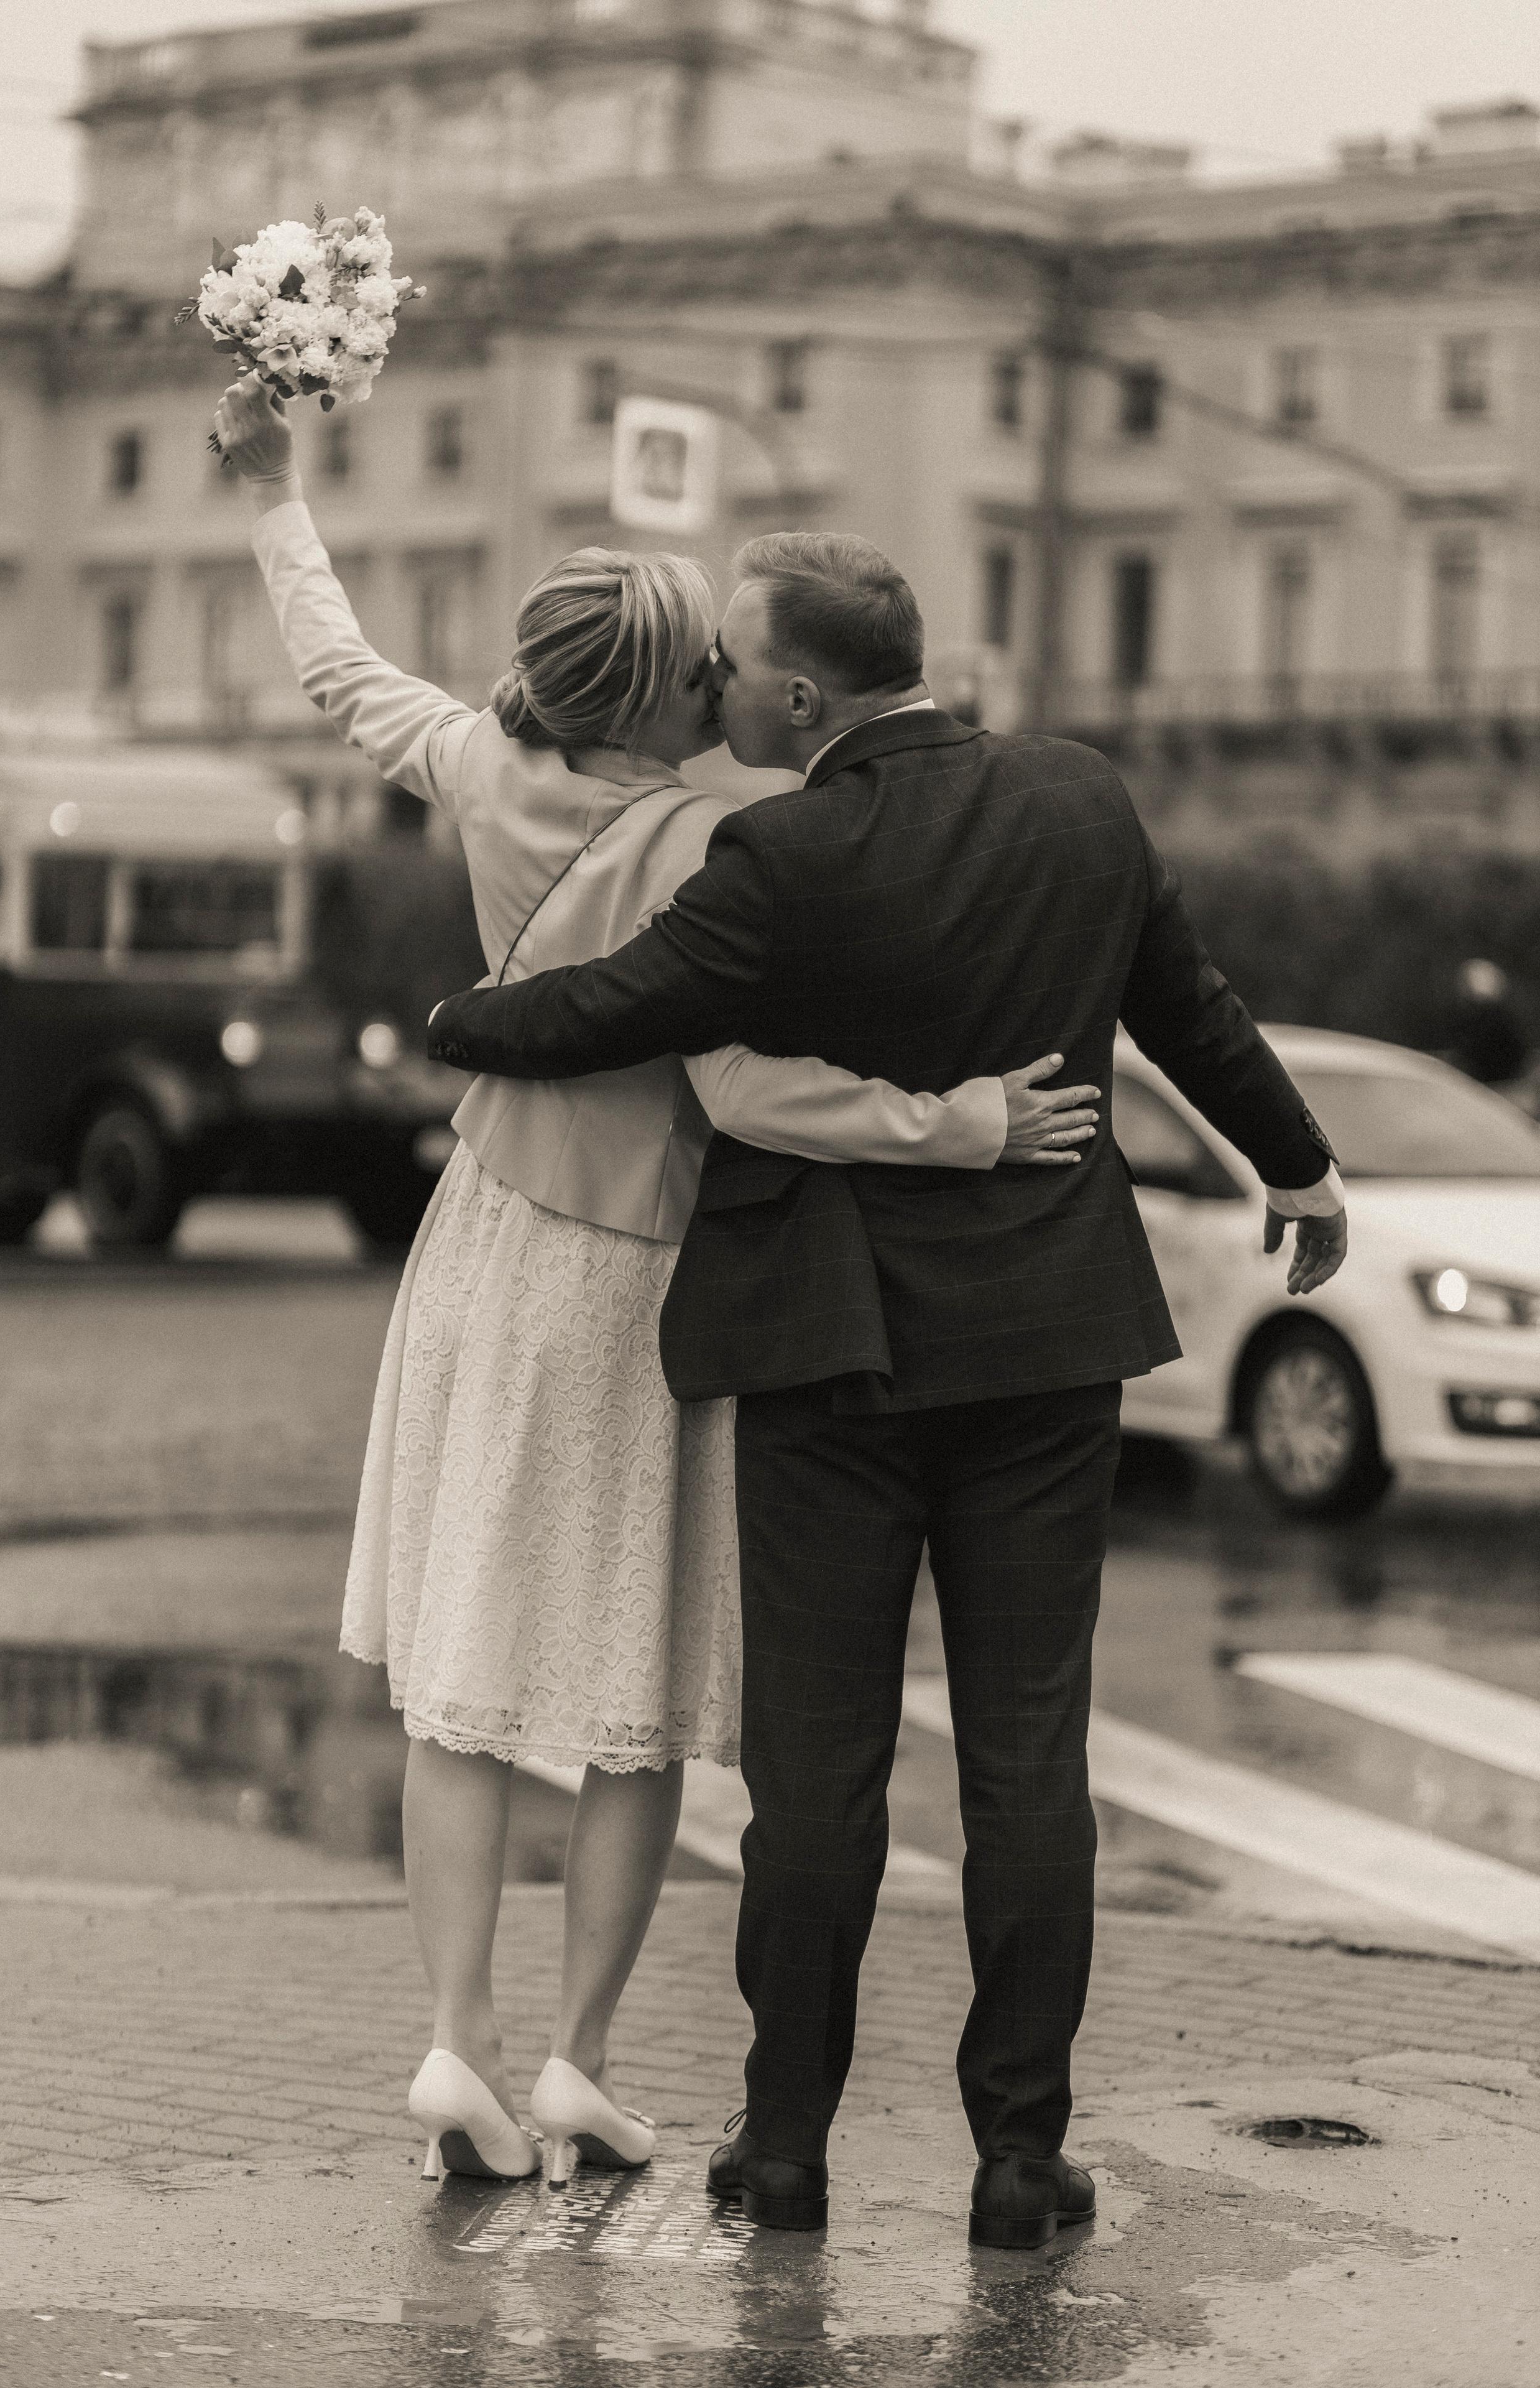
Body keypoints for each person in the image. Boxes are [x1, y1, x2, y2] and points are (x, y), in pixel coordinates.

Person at [210, 381, 1101, 2195]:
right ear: (681, 696)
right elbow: (741, 1085)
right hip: (640, 1284)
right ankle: (577, 2065)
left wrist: (274, 491)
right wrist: (959, 1124)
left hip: (482, 1250)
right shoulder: (721, 835)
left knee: (461, 1677)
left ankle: (451, 2044)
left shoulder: (481, 769)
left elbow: (337, 666)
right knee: (638, 1694)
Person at [423, 530, 1350, 2243]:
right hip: (1050, 1347)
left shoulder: (783, 854)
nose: (710, 691)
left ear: (799, 692)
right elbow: (1191, 1010)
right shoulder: (1083, 803)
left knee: (818, 1775)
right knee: (1028, 1762)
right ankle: (1017, 2158)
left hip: (831, 1360)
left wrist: (457, 1023)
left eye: (730, 671)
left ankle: (785, 2150)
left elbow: (611, 1013)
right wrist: (1299, 1166)